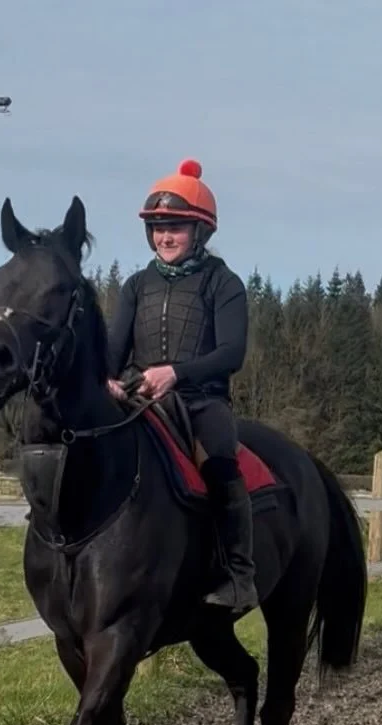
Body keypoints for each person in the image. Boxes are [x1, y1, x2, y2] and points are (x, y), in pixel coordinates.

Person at [106, 158, 258, 615]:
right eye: (158, 228)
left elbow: (232, 353)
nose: (165, 237)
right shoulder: (135, 286)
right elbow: (114, 349)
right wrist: (107, 380)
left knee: (220, 464)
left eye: (175, 227)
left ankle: (238, 574)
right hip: (139, 397)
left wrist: (175, 373)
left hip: (201, 400)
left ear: (200, 232)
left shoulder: (224, 284)